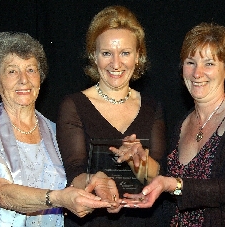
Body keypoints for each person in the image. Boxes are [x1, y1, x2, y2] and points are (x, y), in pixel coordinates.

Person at [118, 22, 225, 226]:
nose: (197, 73)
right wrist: (140, 162)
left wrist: (172, 184)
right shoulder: (183, 123)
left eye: (209, 63)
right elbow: (170, 181)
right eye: (190, 62)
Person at [0, 32, 119, 226]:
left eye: (31, 69)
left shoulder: (57, 131)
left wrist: (95, 182)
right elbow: (2, 194)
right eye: (12, 71)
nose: (24, 80)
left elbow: (72, 182)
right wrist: (57, 199)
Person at [56, 5, 166, 227]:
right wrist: (97, 186)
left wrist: (142, 163)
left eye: (125, 53)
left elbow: (159, 178)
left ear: (138, 57)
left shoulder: (153, 107)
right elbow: (74, 171)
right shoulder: (74, 105)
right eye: (107, 53)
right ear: (94, 57)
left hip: (144, 221)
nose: (116, 64)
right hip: (93, 221)